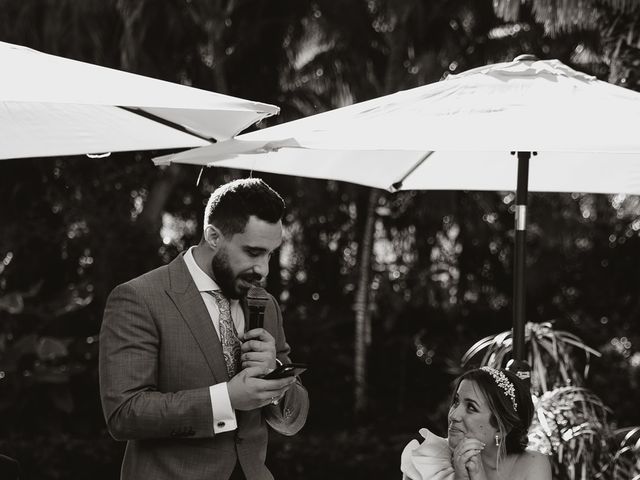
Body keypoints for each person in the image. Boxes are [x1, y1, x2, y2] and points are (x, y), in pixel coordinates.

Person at [99, 178, 309, 480]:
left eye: (270, 254)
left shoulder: (264, 303)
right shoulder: (139, 298)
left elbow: (292, 420)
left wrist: (274, 374)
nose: (264, 270)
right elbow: (124, 415)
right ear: (213, 236)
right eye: (252, 252)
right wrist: (227, 399)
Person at [401, 367, 551, 480]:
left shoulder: (532, 465)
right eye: (456, 402)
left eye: (471, 407)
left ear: (502, 428)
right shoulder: (426, 461)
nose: (453, 415)